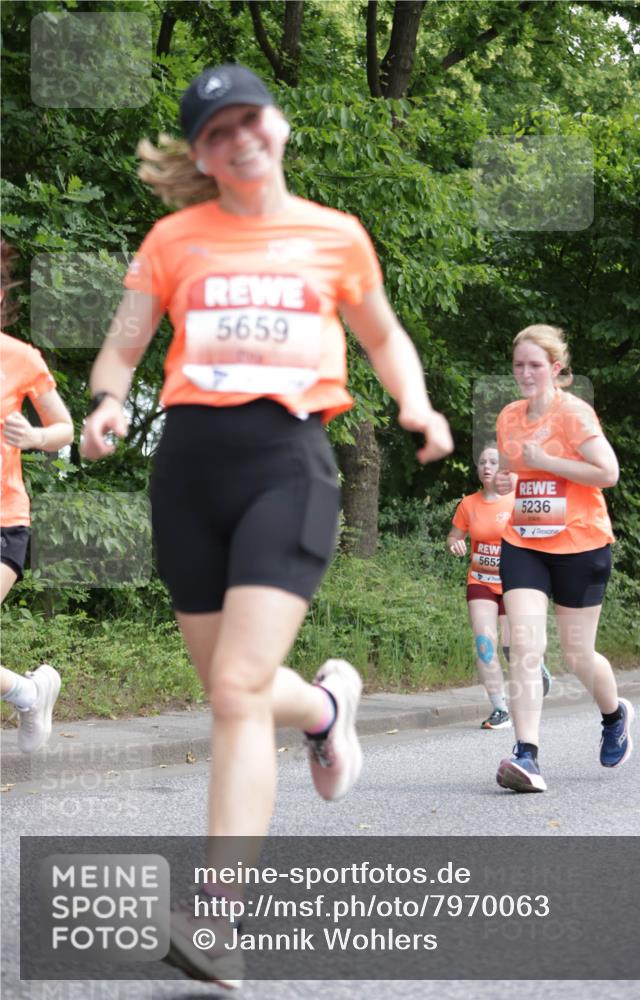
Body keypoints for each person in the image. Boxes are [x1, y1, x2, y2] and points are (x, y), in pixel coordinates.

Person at [80, 63, 453, 986]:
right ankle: (328, 708)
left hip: (286, 464)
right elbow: (125, 344)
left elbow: (382, 335)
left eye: (250, 117)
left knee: (239, 690)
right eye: (217, 130)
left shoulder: (335, 236)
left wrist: (416, 403)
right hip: (187, 473)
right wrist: (104, 404)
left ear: (277, 125)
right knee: (230, 690)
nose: (238, 135)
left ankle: (216, 918)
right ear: (203, 155)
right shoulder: (173, 238)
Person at [494, 324, 631, 793]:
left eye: (535, 365)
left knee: (577, 655)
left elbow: (607, 472)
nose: (526, 373)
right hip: (525, 542)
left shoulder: (574, 414)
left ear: (555, 369)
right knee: (526, 647)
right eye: (519, 365)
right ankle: (526, 755)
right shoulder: (509, 416)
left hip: (580, 544)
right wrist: (506, 485)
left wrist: (549, 462)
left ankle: (614, 715)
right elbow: (515, 475)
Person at [0, 239, 74, 752]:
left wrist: (34, 438)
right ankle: (29, 692)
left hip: (4, 519)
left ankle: (28, 693)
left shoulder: (20, 358)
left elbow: (65, 426)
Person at [447, 443, 551, 730]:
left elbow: (540, 534)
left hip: (513, 583)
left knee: (512, 646)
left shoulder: (518, 500)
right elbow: (454, 536)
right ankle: (500, 709)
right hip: (480, 581)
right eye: (482, 462)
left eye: (493, 462)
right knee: (484, 642)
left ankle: (535, 667)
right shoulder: (468, 504)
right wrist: (455, 543)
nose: (486, 467)